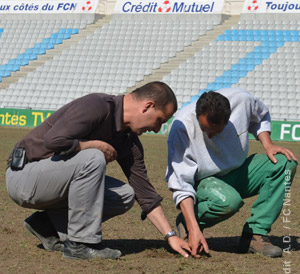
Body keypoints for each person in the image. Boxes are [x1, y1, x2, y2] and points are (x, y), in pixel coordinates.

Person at [6, 81, 191, 260]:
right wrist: (93, 145)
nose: (157, 129)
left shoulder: (128, 139)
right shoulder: (97, 106)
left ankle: (46, 225)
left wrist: (170, 235)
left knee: (124, 195)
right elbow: (53, 140)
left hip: (50, 184)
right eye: (159, 120)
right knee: (93, 157)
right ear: (147, 106)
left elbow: (145, 193)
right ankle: (80, 245)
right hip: (24, 177)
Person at [166, 87, 298, 258]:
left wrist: (268, 144)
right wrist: (193, 229)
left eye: (217, 131)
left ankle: (254, 235)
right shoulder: (182, 126)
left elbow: (261, 115)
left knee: (285, 162)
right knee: (229, 202)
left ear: (228, 119)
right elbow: (181, 182)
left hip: (238, 171)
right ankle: (188, 222)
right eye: (205, 130)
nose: (211, 136)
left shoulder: (242, 101)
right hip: (205, 180)